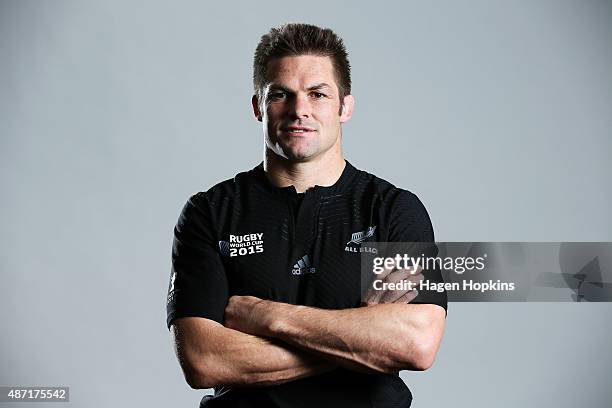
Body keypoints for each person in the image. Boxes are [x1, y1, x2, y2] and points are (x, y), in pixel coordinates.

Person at [166, 23, 447, 408]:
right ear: (257, 107)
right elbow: (203, 360)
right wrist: (358, 341)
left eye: (318, 94)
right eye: (282, 94)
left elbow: (415, 343)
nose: (300, 110)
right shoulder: (210, 212)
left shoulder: (392, 209)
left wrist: (265, 316)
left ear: (345, 106)